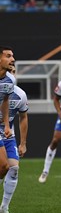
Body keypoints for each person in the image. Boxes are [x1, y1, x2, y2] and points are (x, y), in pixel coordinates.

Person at [0, 65, 28, 213]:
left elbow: (23, 118)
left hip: (8, 134)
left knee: (14, 168)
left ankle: (4, 208)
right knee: (3, 166)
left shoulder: (21, 95)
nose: (11, 74)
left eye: (13, 72)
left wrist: (23, 143)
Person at [0, 46, 16, 190]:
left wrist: (6, 125)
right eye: (8, 56)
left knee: (5, 166)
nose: (13, 59)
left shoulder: (10, 80)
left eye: (13, 56)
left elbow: (5, 101)